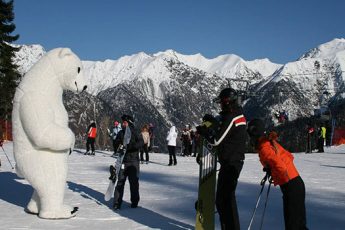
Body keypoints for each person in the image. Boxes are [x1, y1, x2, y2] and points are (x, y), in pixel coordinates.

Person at [197, 87, 247, 230]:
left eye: (221, 102)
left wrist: (205, 132)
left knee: (224, 201)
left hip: (231, 162)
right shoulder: (237, 114)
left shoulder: (232, 116)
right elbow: (227, 130)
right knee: (226, 200)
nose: (220, 105)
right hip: (232, 161)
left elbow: (216, 140)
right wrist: (213, 121)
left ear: (227, 102)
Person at [247, 119, 308, 230]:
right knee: (298, 225)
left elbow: (281, 167)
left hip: (291, 185)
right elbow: (288, 157)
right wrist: (271, 169)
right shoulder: (267, 143)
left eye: (250, 135)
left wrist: (274, 172)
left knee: (294, 226)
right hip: (296, 183)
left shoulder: (264, 147)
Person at [113, 114, 144, 210]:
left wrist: (130, 146)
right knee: (120, 182)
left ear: (129, 122)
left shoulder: (135, 132)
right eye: (123, 122)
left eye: (125, 122)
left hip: (133, 161)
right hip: (123, 161)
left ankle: (134, 202)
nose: (123, 124)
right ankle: (117, 203)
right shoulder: (121, 133)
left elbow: (141, 143)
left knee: (134, 183)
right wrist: (118, 146)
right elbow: (115, 144)